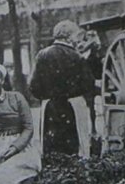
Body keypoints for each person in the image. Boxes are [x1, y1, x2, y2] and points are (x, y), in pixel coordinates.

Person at [28, 20, 98, 158]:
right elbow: (88, 84)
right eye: (76, 36)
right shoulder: (76, 56)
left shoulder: (42, 55)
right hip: (73, 106)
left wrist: (47, 96)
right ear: (68, 37)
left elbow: (33, 86)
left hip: (50, 108)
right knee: (75, 147)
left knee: (52, 147)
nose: (77, 40)